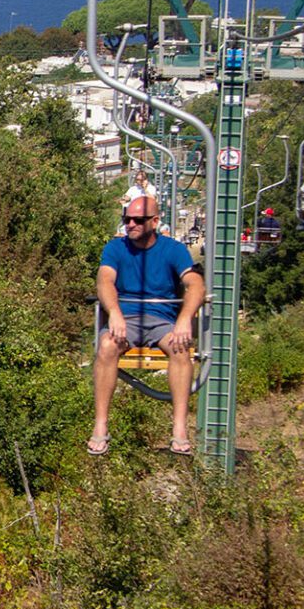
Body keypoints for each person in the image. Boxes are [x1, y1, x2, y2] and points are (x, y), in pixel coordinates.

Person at [89, 195, 206, 457]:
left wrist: (185, 317)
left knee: (180, 350)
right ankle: (100, 425)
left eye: (138, 220)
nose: (131, 224)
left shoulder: (173, 250)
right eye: (127, 219)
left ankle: (179, 428)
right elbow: (105, 281)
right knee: (107, 346)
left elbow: (195, 284)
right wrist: (115, 313)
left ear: (154, 221)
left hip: (161, 320)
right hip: (126, 320)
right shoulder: (116, 249)